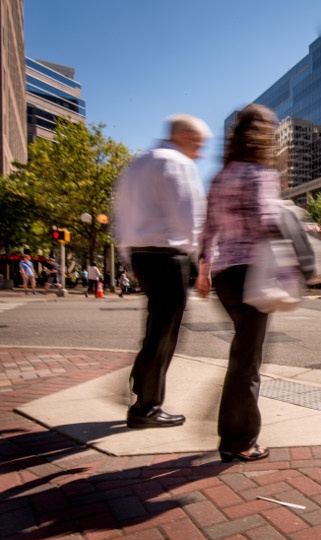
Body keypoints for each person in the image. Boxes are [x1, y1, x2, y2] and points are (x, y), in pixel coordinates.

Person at [113, 113, 211, 429]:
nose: (201, 152)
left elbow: (122, 215)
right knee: (165, 335)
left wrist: (129, 259)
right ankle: (147, 407)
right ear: (183, 135)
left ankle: (142, 388)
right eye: (198, 144)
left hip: (142, 256)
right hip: (167, 257)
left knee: (155, 330)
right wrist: (205, 265)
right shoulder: (178, 163)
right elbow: (190, 219)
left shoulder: (139, 163)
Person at [196, 103, 280, 463]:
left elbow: (208, 230)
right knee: (247, 361)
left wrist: (203, 271)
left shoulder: (221, 176)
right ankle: (238, 439)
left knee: (242, 355)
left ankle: (232, 429)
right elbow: (264, 219)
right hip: (253, 274)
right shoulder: (259, 173)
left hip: (225, 276)